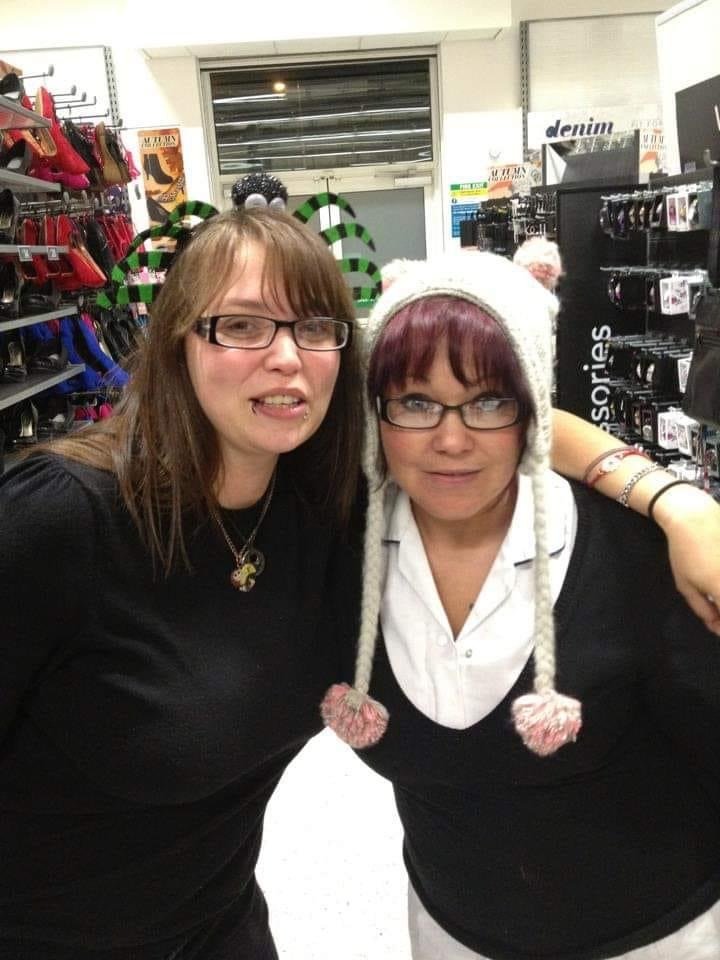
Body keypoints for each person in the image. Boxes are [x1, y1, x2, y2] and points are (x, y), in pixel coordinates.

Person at [0, 210, 719, 960]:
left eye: (314, 327)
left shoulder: (318, 507)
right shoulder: (64, 519)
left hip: (220, 927)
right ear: (177, 340)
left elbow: (504, 400)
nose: (285, 357)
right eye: (242, 325)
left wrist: (676, 501)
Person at [322, 253, 720, 960]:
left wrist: (672, 500)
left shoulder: (635, 559)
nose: (450, 440)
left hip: (657, 938)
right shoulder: (340, 551)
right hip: (449, 931)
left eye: (489, 401)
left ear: (532, 408)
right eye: (414, 402)